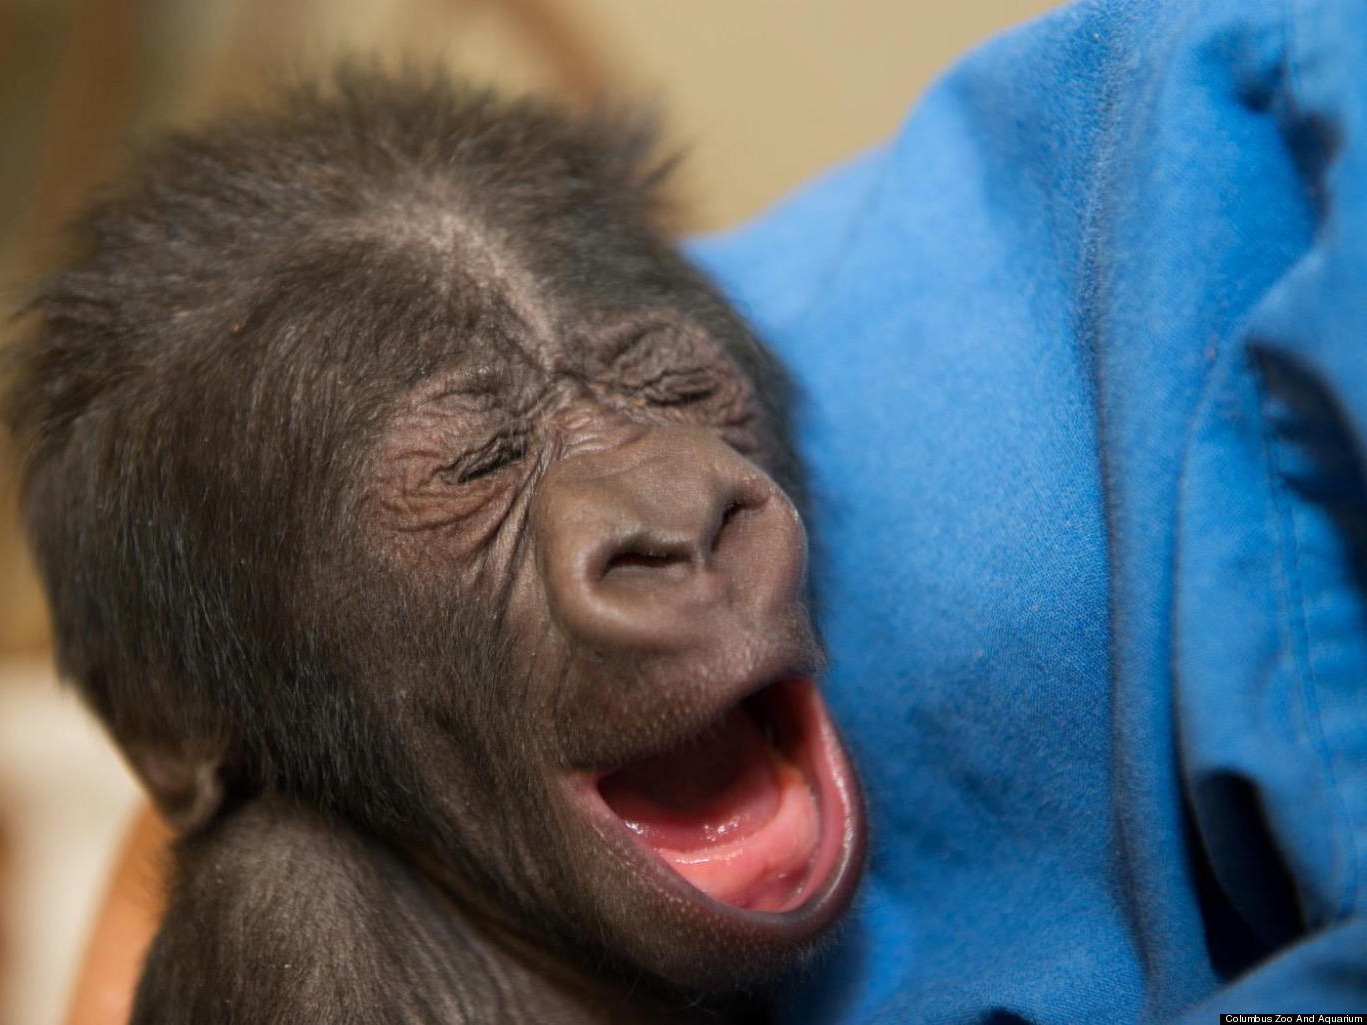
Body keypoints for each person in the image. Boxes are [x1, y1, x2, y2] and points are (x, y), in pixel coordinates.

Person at [67, 1, 1367, 1021]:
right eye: (471, 473)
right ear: (190, 726)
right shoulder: (305, 929)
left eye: (675, 387)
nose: (681, 513)